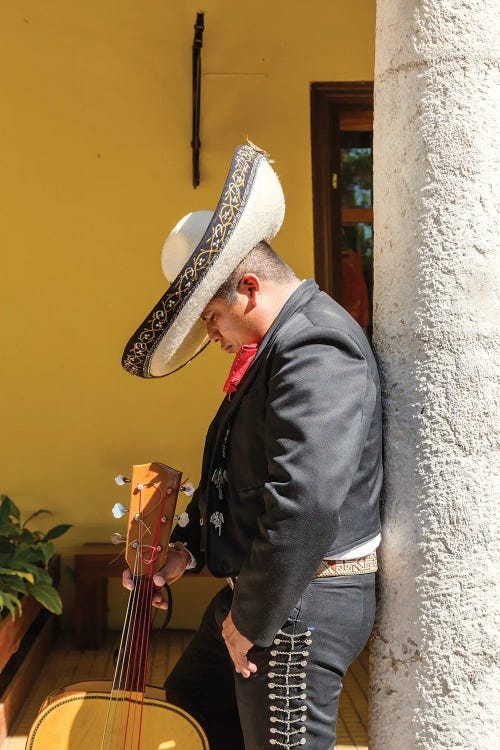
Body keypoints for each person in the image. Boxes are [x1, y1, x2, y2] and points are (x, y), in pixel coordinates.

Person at [121, 143, 382, 750]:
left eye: (210, 317)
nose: (209, 334)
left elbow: (306, 501)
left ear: (247, 287)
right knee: (192, 700)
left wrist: (254, 621)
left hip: (302, 601)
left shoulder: (315, 348)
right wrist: (186, 551)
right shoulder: (282, 346)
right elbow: (244, 477)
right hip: (273, 589)